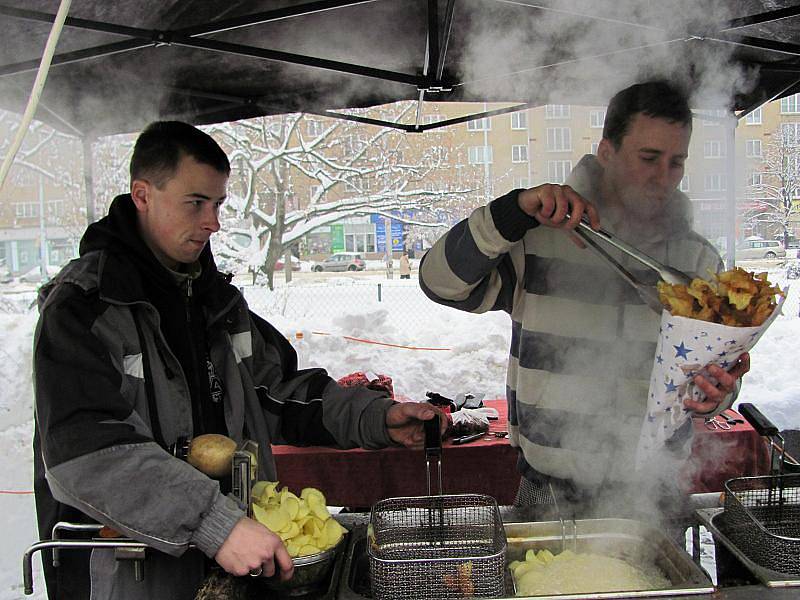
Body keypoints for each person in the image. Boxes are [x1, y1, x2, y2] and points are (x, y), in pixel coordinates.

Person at [33, 121, 442, 600]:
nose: (213, 222)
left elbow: (274, 391)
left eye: (219, 204)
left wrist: (375, 417)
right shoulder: (84, 309)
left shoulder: (215, 302)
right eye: (196, 203)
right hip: (128, 575)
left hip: (228, 564)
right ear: (142, 194)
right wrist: (215, 522)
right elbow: (88, 455)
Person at [419, 80, 749, 521]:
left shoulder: (698, 259)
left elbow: (714, 371)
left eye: (676, 162)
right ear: (607, 151)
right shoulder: (537, 238)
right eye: (648, 158)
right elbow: (439, 282)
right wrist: (514, 210)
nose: (662, 177)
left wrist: (718, 394)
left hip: (653, 495)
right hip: (548, 492)